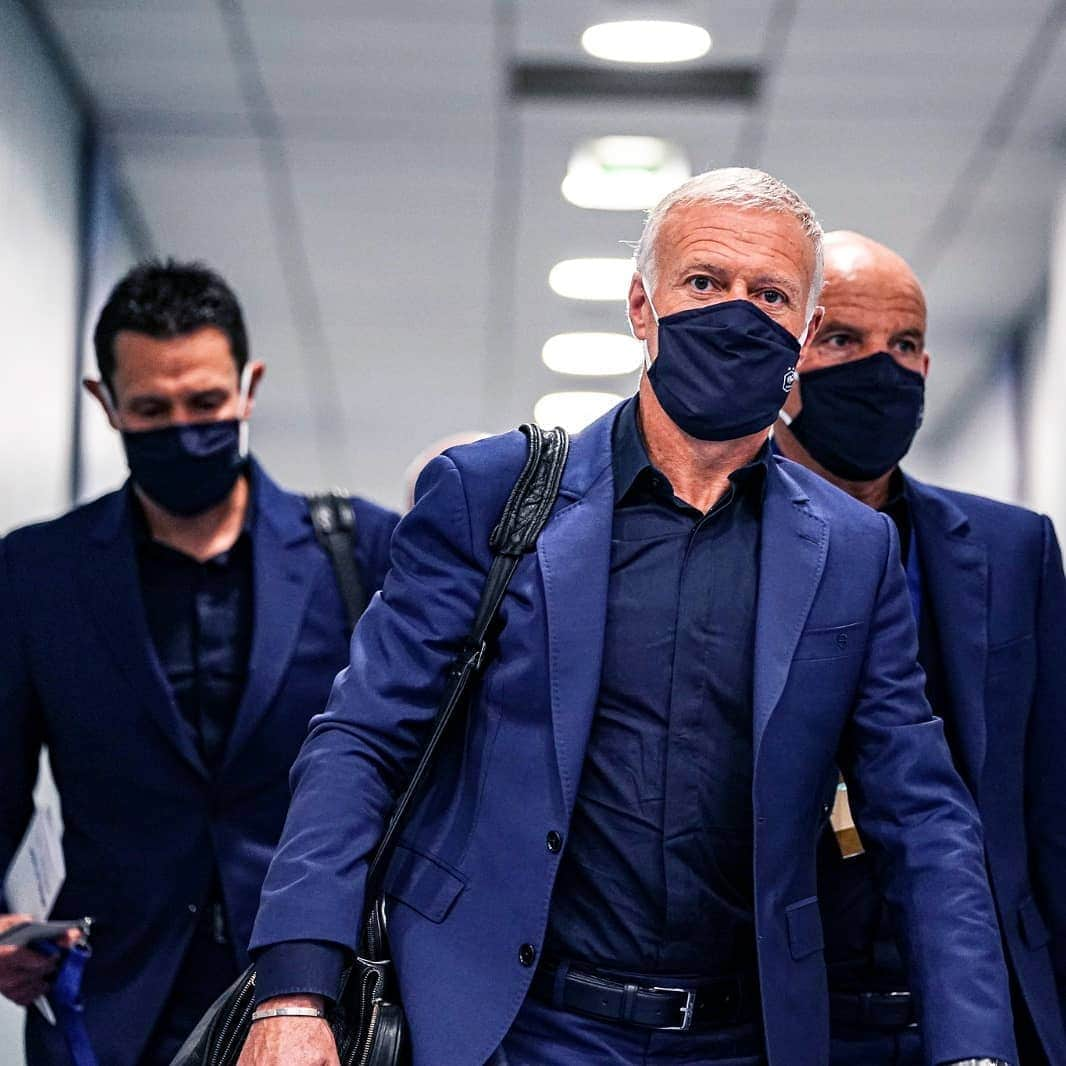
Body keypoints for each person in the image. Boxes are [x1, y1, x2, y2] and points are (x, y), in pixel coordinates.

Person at [239, 169, 1017, 1066]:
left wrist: (974, 1048)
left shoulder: (851, 549)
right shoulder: (492, 498)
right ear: (641, 308)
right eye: (703, 283)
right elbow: (362, 740)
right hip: (517, 1026)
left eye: (769, 295)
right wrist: (292, 992)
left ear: (802, 336)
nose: (736, 312)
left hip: (745, 1035)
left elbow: (921, 811)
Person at [0, 260, 400, 1065]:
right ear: (104, 402)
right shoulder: (37, 574)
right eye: (151, 407)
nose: (183, 427)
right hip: (108, 995)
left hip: (313, 997)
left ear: (248, 387)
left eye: (206, 402)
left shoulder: (359, 551)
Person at [774, 230, 1066, 1065]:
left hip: (977, 1002)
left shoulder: (1012, 550)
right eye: (842, 340)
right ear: (787, 367)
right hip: (783, 1005)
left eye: (904, 346)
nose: (882, 369)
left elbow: (1049, 801)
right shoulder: (722, 538)